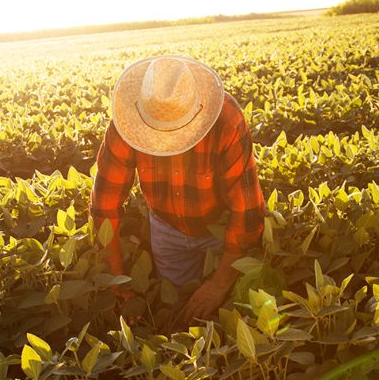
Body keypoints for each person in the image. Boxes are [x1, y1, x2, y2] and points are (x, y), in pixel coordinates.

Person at [90, 55, 265, 324]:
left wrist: (219, 286)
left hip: (221, 226)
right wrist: (117, 279)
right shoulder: (125, 123)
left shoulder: (226, 120)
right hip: (166, 227)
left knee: (227, 310)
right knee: (181, 313)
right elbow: (105, 205)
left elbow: (246, 213)